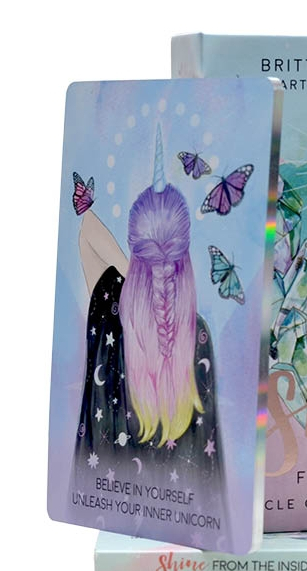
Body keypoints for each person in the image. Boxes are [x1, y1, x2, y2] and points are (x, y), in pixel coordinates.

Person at [70, 127, 223, 501]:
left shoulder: (110, 311)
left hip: (109, 512)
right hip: (182, 521)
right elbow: (208, 473)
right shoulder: (199, 336)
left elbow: (87, 230)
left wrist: (141, 277)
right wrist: (161, 278)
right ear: (185, 256)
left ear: (134, 250)